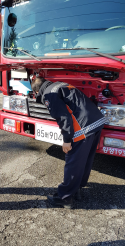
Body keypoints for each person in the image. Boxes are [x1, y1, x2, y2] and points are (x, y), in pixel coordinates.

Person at [31, 77, 106, 209]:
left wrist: (67, 140)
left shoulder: (49, 94)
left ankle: (64, 197)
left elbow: (63, 117)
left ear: (37, 92)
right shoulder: (61, 85)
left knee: (73, 161)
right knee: (85, 159)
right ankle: (77, 188)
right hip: (96, 121)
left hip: (83, 126)